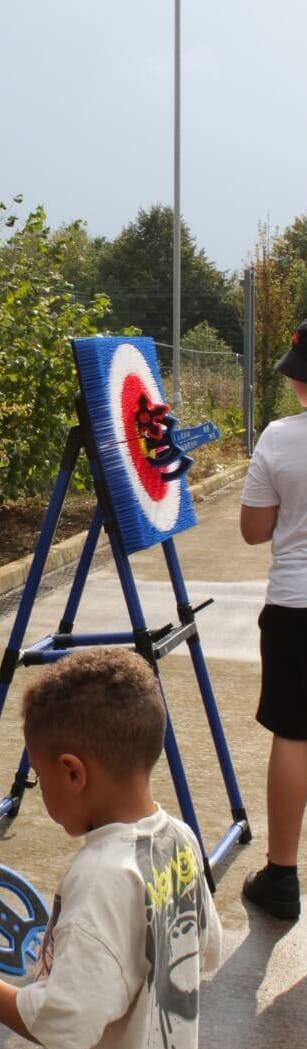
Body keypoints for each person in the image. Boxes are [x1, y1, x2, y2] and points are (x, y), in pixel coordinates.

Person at [0, 647, 221, 1049]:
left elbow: (66, 1021)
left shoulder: (100, 876)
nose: (39, 788)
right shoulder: (178, 838)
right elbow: (203, 947)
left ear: (73, 773)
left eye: (37, 776)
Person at [240, 318, 307, 921]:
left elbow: (253, 529)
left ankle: (282, 876)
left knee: (294, 734)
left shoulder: (279, 438)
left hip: (295, 606)